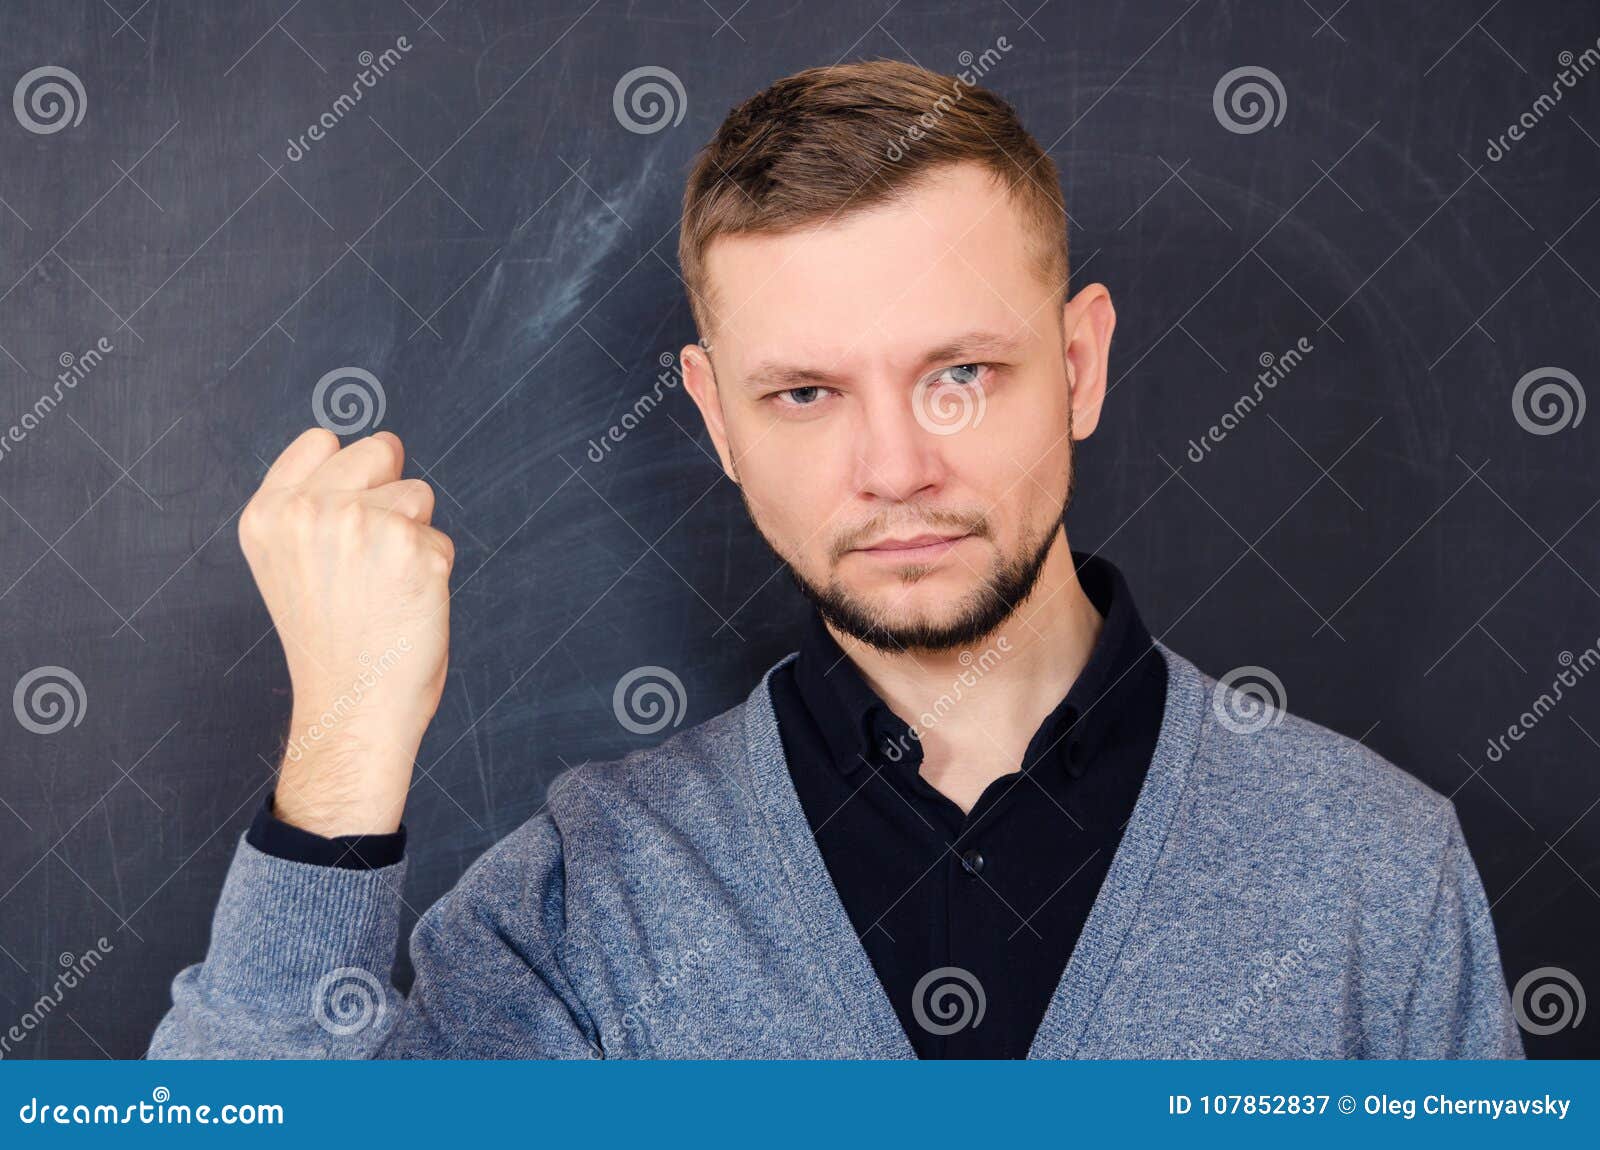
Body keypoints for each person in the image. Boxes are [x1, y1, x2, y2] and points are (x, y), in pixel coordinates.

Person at [148, 60, 1522, 1059]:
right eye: (806, 393)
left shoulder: (1376, 873)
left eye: (960, 373)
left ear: (1081, 363)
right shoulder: (580, 905)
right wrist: (343, 752)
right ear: (716, 420)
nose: (896, 467)